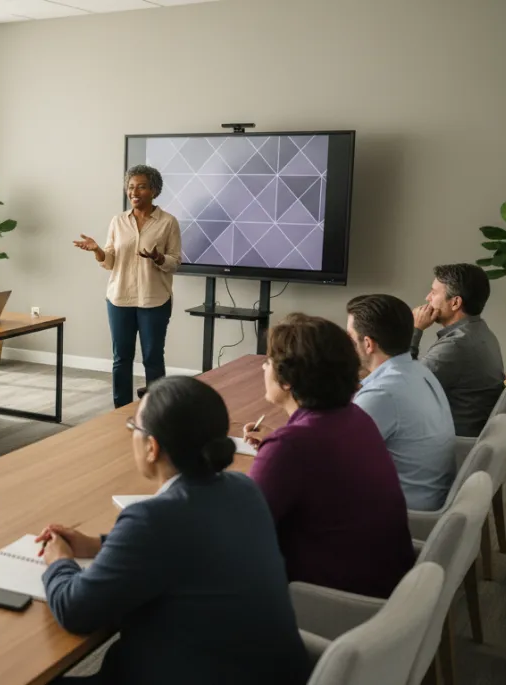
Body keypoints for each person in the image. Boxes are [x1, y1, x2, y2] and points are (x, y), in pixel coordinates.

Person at [37, 376, 308, 685]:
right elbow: (189, 545)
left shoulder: (152, 519)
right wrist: (98, 545)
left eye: (134, 428)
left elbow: (76, 612)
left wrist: (59, 561)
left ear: (152, 447)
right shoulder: (244, 488)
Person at [245, 314, 415, 598]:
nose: (264, 367)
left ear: (287, 380)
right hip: (387, 589)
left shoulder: (290, 447)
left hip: (330, 602)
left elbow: (241, 533)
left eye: (268, 361)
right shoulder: (357, 417)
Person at [72, 165, 181, 408]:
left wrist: (158, 258)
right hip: (119, 299)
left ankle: (156, 410)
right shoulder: (118, 221)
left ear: (154, 190)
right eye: (131, 187)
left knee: (153, 359)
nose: (134, 192)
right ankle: (120, 409)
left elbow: (175, 262)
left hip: (154, 300)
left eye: (141, 186)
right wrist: (98, 250)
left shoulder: (168, 222)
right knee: (121, 358)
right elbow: (110, 261)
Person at [347, 294, 456, 511]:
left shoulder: (382, 394)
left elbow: (333, 461)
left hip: (404, 513)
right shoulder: (417, 370)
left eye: (350, 338)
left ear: (368, 344)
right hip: (431, 494)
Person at [412, 263, 506, 437]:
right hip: (467, 432)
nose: (427, 298)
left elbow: (404, 388)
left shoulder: (457, 344)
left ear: (455, 302)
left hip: (448, 442)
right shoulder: (481, 331)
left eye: (433, 292)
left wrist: (415, 330)